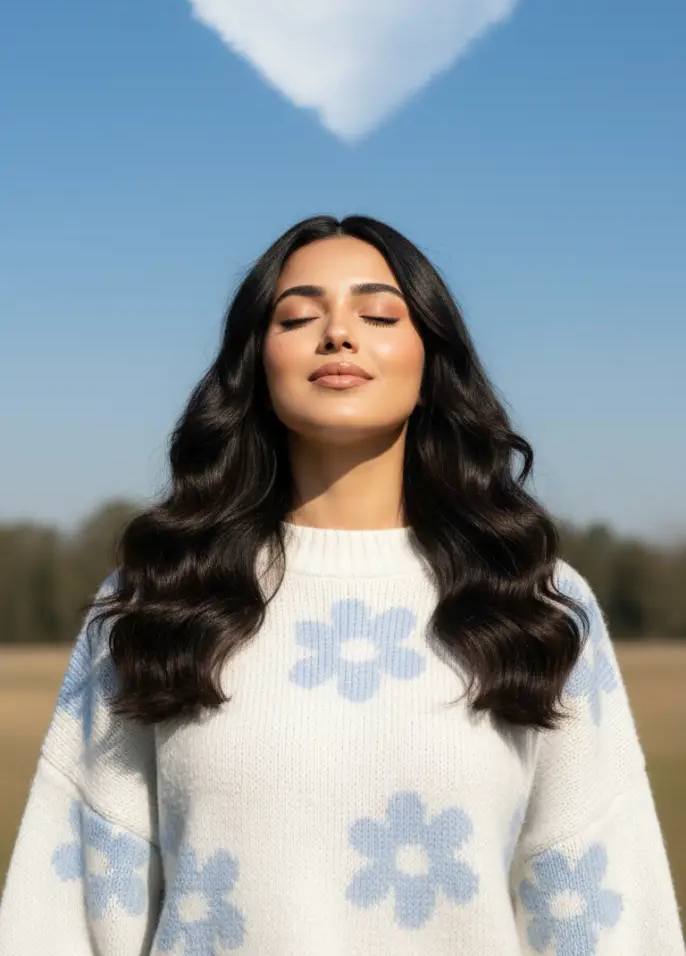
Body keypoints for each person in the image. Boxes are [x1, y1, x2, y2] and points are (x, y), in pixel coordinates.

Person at [0, 213, 683, 956]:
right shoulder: (160, 595)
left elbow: (608, 904)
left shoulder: (532, 599)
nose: (338, 334)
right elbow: (64, 910)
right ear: (256, 364)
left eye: (380, 313)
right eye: (297, 316)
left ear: (431, 360)